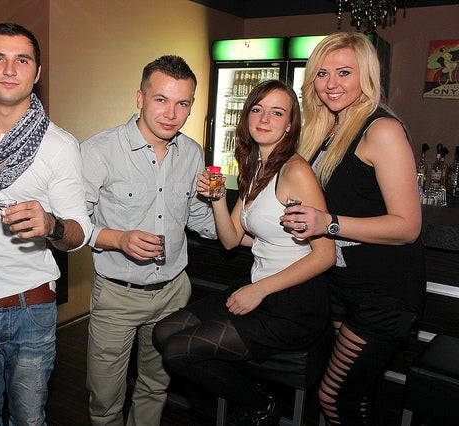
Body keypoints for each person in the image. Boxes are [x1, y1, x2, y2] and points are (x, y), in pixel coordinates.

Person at [153, 79, 336, 425]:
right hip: (260, 288)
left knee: (177, 351)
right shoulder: (255, 167)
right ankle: (235, 396)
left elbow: (325, 254)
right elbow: (231, 239)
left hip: (292, 303)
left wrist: (259, 290)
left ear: (290, 124)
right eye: (257, 109)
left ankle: (260, 404)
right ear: (247, 115)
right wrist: (218, 198)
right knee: (162, 333)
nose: (264, 119)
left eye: (277, 113)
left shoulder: (295, 171)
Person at [0, 22, 92, 425]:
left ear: (37, 72)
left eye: (22, 60)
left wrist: (51, 225)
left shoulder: (59, 146)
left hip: (32, 308)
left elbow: (80, 233)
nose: (10, 69)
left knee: (29, 420)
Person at [279, 32, 426, 425]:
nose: (331, 84)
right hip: (341, 286)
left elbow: (407, 226)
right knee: (355, 396)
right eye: (322, 73)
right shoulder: (324, 128)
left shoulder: (382, 130)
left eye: (344, 72)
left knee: (333, 399)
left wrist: (327, 223)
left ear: (367, 75)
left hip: (384, 293)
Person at [80, 55, 217, 426]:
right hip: (117, 296)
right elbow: (73, 225)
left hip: (174, 292)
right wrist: (118, 239)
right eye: (161, 100)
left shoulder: (192, 153)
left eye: (182, 103)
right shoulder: (98, 151)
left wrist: (254, 229)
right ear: (140, 98)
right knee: (105, 399)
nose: (172, 113)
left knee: (156, 387)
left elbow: (198, 217)